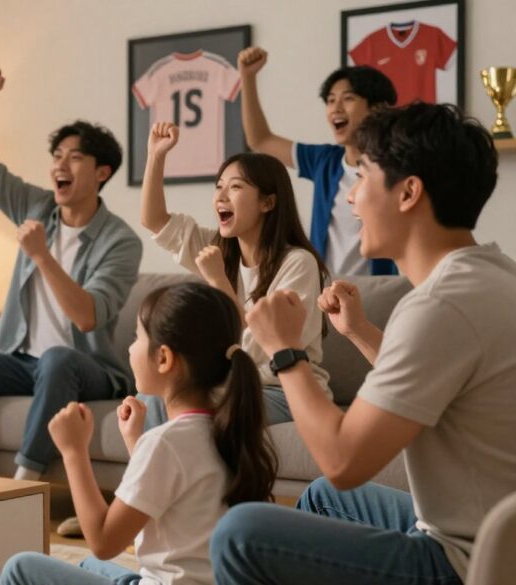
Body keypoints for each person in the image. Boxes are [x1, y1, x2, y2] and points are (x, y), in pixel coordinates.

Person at [210, 103, 515, 585]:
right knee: (324, 496)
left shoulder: (441, 305)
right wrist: (359, 333)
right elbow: (437, 389)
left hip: (469, 563)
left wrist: (285, 352)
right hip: (484, 535)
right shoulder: (487, 275)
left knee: (241, 532)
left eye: (363, 177)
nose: (350, 198)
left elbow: (344, 459)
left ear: (409, 192)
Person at [0, 282, 277, 585]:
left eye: (137, 337)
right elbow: (173, 492)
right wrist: (137, 442)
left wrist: (73, 450)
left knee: (21, 567)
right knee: (89, 566)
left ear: (163, 358)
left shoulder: (165, 444)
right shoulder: (227, 430)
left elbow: (104, 541)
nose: (130, 348)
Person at [0, 66, 142, 481]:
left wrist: (42, 256)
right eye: (57, 156)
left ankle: (24, 484)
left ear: (101, 172)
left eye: (75, 157)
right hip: (21, 362)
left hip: (87, 369)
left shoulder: (120, 241)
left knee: (57, 359)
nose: (61, 165)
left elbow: (88, 316)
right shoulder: (37, 208)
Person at [141, 121, 330, 426]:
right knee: (151, 397)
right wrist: (155, 155)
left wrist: (218, 281)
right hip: (233, 384)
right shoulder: (220, 249)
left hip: (283, 390)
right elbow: (154, 220)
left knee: (191, 404)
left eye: (236, 187)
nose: (222, 196)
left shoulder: (298, 263)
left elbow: (260, 347)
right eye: (219, 186)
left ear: (268, 202)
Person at [238, 46, 398, 276]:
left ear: (378, 108)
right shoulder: (324, 160)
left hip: (377, 288)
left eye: (348, 99)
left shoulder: (396, 164)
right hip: (324, 288)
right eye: (331, 101)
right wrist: (248, 77)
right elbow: (260, 140)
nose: (336, 108)